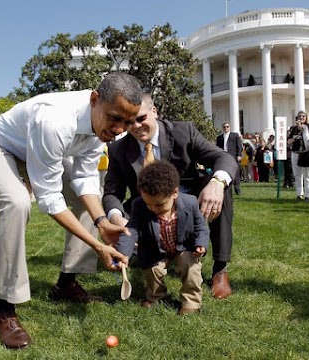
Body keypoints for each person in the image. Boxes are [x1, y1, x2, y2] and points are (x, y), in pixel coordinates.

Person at [0, 72, 142, 349]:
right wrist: (98, 245)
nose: (120, 129)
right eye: (115, 118)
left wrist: (102, 222)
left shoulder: (101, 126)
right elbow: (49, 198)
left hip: (35, 151)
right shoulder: (54, 120)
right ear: (94, 100)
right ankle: (4, 308)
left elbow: (84, 179)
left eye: (128, 121)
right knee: (16, 202)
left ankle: (66, 283)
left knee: (86, 195)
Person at [103, 93, 239, 300]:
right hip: (146, 207)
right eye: (129, 122)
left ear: (154, 112)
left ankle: (220, 269)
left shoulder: (184, 132)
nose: (136, 126)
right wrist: (115, 216)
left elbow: (223, 157)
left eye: (141, 118)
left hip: (188, 201)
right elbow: (112, 192)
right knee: (132, 216)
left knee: (221, 188)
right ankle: (152, 258)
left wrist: (217, 183)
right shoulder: (118, 149)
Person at [116, 161, 209, 315]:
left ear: (174, 193)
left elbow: (201, 226)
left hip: (183, 248)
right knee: (153, 270)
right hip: (155, 249)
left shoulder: (190, 202)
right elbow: (131, 229)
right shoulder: (139, 205)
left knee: (191, 268)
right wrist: (123, 252)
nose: (153, 208)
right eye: (148, 204)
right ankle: (156, 296)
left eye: (159, 205)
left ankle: (191, 302)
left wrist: (200, 244)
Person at [288, 110, 309, 201]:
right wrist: (293, 139)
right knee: (297, 175)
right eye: (299, 116)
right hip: (295, 153)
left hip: (306, 153)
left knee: (307, 175)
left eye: (303, 116)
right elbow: (288, 141)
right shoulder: (293, 129)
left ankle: (308, 195)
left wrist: (301, 127)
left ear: (306, 118)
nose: (301, 118)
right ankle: (299, 194)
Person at [216, 121, 243, 195]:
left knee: (236, 173)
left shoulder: (235, 135)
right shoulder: (219, 138)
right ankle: (226, 189)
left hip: (233, 156)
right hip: (224, 157)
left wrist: (239, 155)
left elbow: (239, 146)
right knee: (225, 173)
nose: (226, 128)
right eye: (224, 127)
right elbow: (218, 148)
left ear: (229, 127)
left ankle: (237, 190)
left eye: (227, 126)